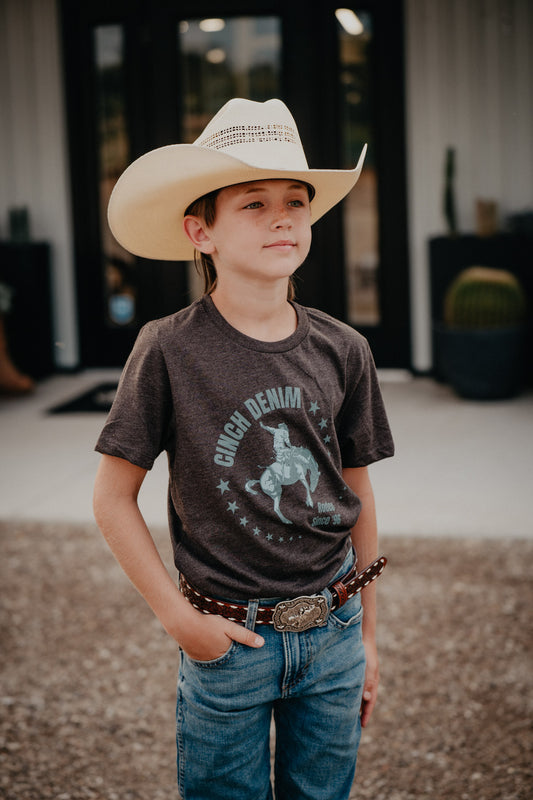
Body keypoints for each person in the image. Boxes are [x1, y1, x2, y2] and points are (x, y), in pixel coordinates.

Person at [93, 98, 394, 800]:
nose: (282, 216)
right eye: (253, 203)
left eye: (295, 199)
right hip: (229, 644)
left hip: (333, 632)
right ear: (201, 231)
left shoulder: (343, 349)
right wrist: (179, 620)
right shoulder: (168, 350)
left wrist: (368, 638)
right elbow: (111, 498)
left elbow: (358, 497)